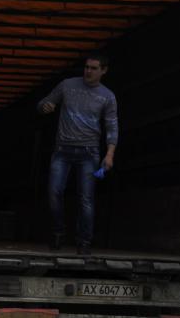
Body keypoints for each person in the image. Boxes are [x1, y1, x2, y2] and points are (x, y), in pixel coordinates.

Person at [38, 53, 119, 256]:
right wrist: (45, 107)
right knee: (54, 193)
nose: (88, 71)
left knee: (86, 199)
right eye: (86, 67)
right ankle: (58, 233)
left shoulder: (107, 96)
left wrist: (110, 154)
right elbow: (44, 103)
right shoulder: (67, 85)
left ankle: (84, 242)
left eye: (93, 68)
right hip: (62, 150)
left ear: (103, 71)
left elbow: (111, 126)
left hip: (88, 152)